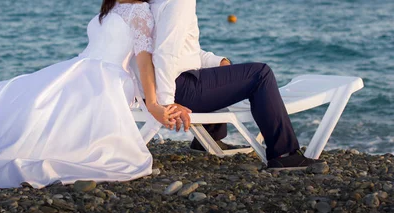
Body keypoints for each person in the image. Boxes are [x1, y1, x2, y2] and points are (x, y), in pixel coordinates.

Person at [0, 0, 179, 188]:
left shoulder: (141, 11)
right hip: (80, 66)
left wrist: (152, 103)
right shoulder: (112, 7)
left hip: (107, 77)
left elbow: (144, 61)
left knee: (44, 102)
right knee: (10, 93)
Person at [134, 0, 326, 170]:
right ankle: (284, 155)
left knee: (217, 74)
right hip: (176, 88)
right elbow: (165, 55)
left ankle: (207, 141)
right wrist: (167, 101)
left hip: (157, 84)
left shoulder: (152, 3)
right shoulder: (179, 2)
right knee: (260, 74)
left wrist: (218, 61)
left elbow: (184, 51)